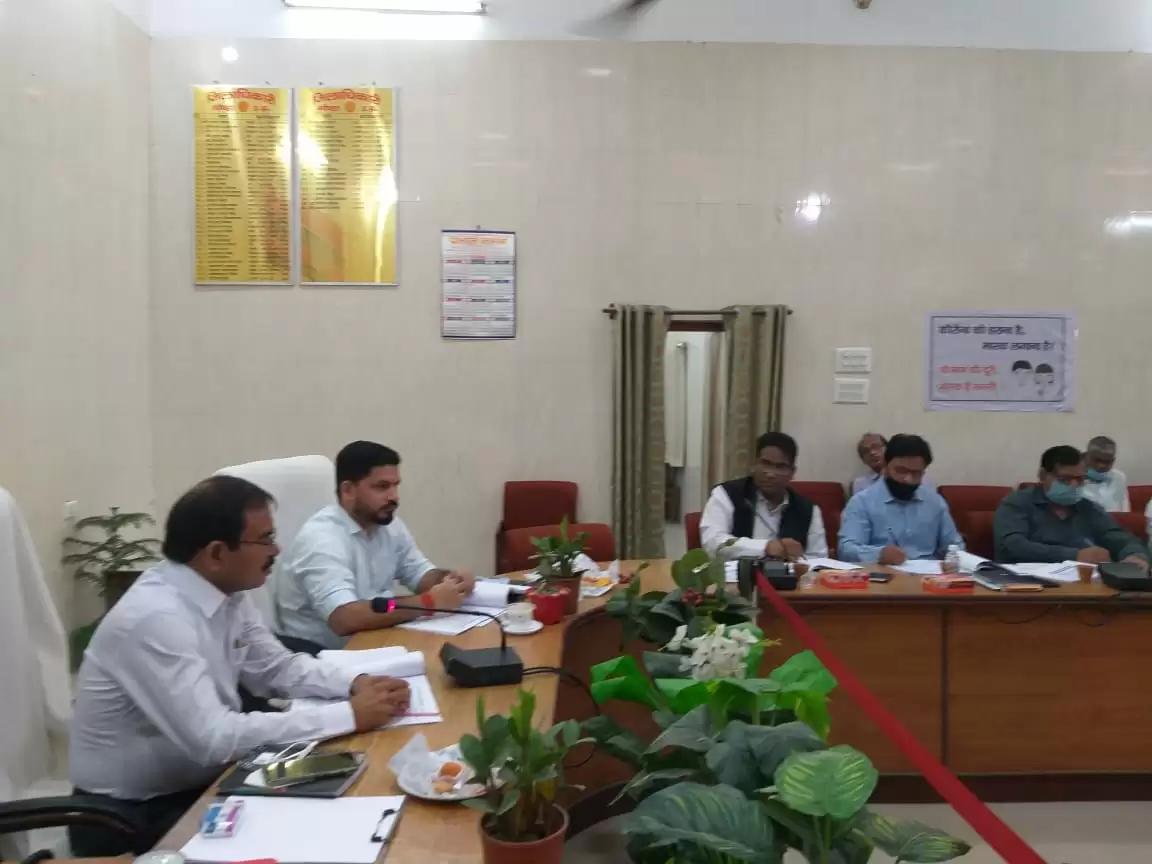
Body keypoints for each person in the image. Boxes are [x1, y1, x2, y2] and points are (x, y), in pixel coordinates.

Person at [68, 476, 411, 856]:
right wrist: (350, 715)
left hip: (206, 780)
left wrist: (355, 683)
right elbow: (215, 740)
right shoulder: (156, 618)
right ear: (217, 553)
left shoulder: (226, 594)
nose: (276, 549)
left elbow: (278, 668)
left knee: (356, 789)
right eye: (265, 539)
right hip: (132, 817)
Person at [277, 441, 475, 652]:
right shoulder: (321, 540)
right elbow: (344, 617)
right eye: (382, 487)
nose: (394, 497)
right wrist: (427, 602)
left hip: (377, 642)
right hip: (324, 657)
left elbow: (420, 574)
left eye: (395, 485)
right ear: (348, 490)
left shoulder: (387, 524)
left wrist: (451, 581)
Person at [994, 446, 1148, 566]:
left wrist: (1135, 555)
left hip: (1083, 584)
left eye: (1080, 479)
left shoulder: (1087, 507)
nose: (1074, 486)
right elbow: (1012, 546)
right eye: (1065, 479)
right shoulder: (1017, 503)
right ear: (1043, 475)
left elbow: (1118, 537)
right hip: (1026, 586)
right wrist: (1075, 555)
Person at [700, 431, 828, 560]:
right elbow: (713, 542)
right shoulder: (727, 494)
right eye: (765, 464)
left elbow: (818, 559)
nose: (770, 474)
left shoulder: (808, 510)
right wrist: (766, 547)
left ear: (792, 472)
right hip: (736, 572)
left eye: (780, 467)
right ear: (754, 464)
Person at [838, 434, 963, 564]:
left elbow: (954, 546)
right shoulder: (861, 502)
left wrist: (954, 559)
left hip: (929, 574)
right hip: (882, 572)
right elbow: (846, 550)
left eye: (915, 473)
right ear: (885, 466)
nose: (908, 479)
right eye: (901, 471)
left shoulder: (935, 502)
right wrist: (879, 554)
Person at [1081, 435, 1129, 512]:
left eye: (1107, 461)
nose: (1101, 465)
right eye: (1097, 460)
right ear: (1087, 457)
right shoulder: (1073, 480)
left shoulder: (1119, 477)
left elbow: (1124, 509)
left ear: (1113, 460)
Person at [849, 433, 887, 497]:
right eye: (866, 451)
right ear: (863, 460)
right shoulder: (859, 484)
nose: (872, 452)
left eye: (876, 447)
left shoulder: (901, 475)